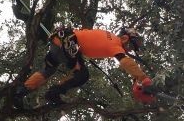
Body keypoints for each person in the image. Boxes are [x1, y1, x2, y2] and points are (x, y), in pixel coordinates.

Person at [14, 26, 156, 106]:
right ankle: (53, 93)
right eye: (131, 45)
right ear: (125, 38)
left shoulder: (108, 35)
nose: (129, 50)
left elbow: (85, 34)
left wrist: (134, 81)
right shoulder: (115, 43)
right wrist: (143, 78)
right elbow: (125, 62)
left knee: (48, 69)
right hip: (69, 42)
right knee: (82, 75)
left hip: (60, 41)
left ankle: (20, 93)